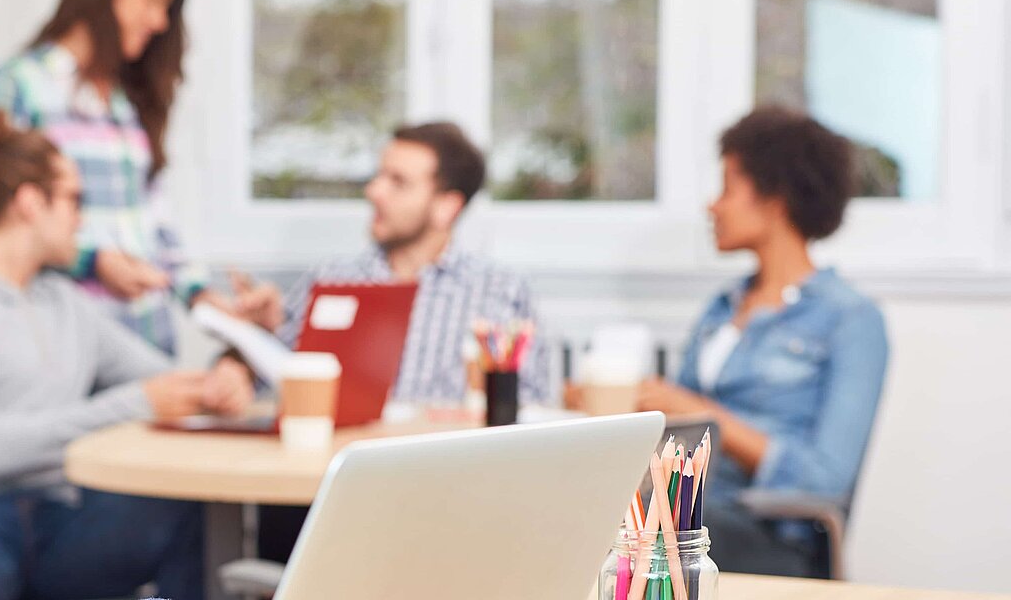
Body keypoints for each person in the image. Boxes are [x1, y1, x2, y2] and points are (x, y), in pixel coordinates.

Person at [0, 110, 255, 600]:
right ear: (31, 203)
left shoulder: (66, 303)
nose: (82, 219)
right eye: (74, 200)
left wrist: (228, 368)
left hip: (61, 515)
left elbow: (163, 380)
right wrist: (140, 403)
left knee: (184, 510)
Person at [245, 121, 557, 564]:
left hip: (446, 498)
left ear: (446, 206)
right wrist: (254, 337)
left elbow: (535, 417)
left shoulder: (500, 291)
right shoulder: (330, 280)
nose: (375, 192)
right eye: (378, 176)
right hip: (331, 493)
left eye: (398, 182)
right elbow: (269, 386)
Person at [610, 106, 888, 577]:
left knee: (629, 532)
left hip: (770, 534)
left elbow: (824, 481)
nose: (711, 206)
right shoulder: (723, 306)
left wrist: (700, 411)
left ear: (775, 199)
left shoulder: (851, 320)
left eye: (727, 188)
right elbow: (671, 441)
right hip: (685, 515)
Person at [0, 0, 280, 354]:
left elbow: (155, 225)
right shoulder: (19, 87)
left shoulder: (124, 106)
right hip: (65, 349)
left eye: (166, 8)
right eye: (151, 0)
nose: (159, 22)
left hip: (148, 344)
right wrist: (92, 262)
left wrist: (203, 298)